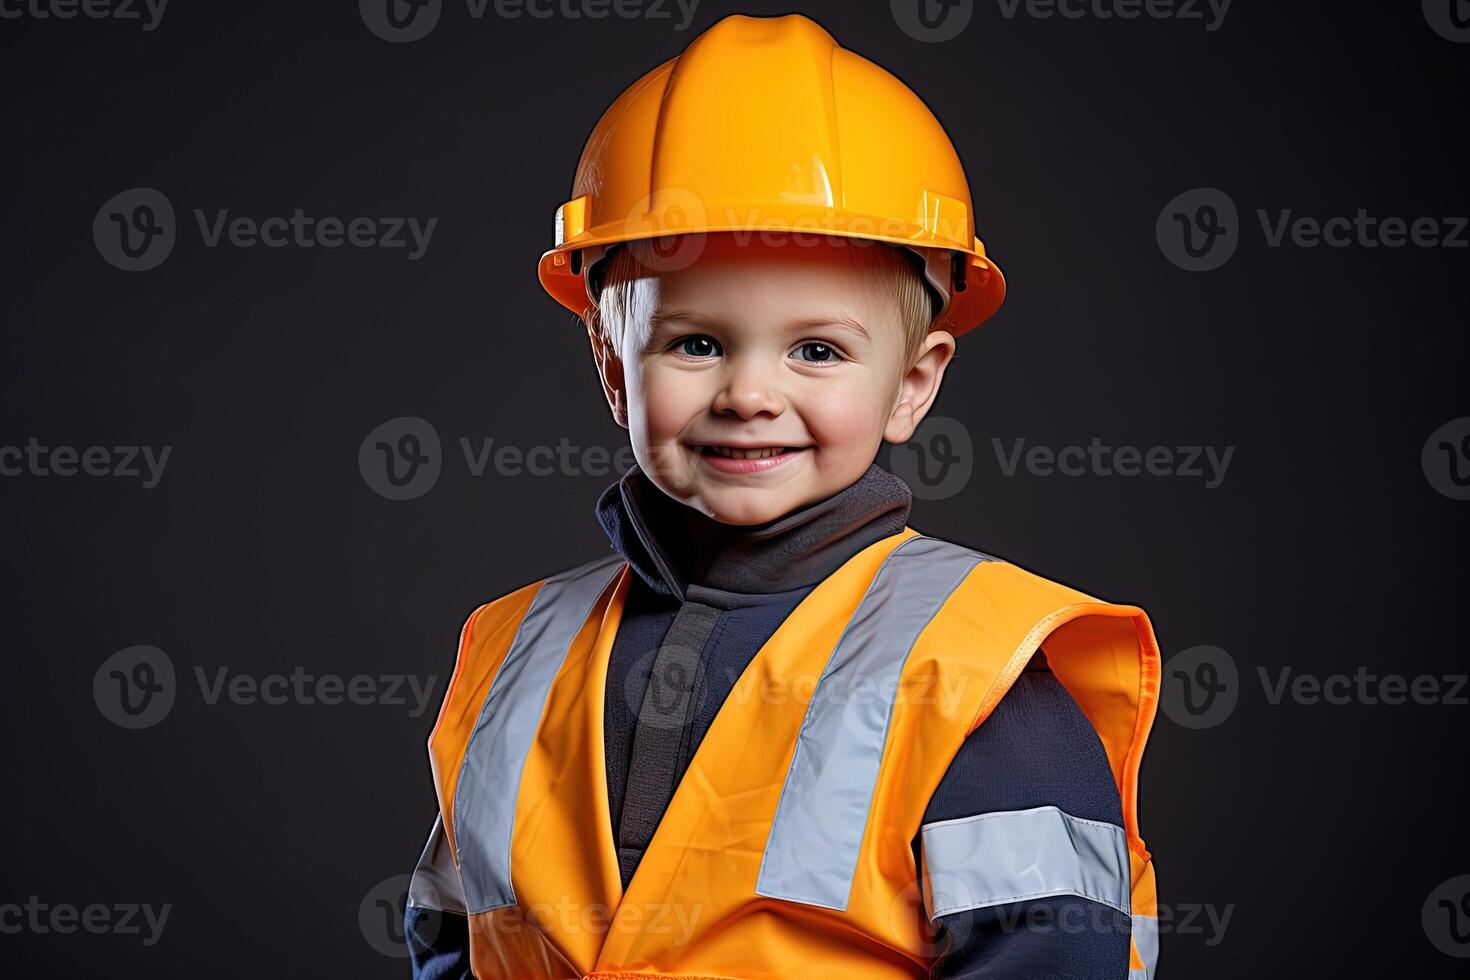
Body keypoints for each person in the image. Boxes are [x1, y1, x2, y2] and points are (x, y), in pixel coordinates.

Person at [405, 13, 1160, 979]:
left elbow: (1052, 956)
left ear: (914, 382)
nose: (750, 394)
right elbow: (451, 934)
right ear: (610, 365)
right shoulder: (516, 654)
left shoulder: (978, 680)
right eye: (695, 343)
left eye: (817, 350)